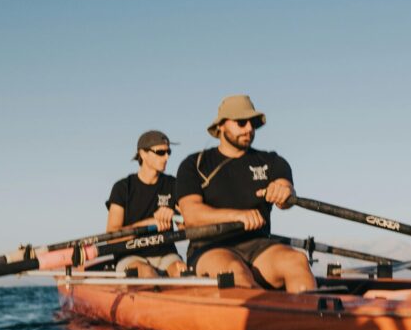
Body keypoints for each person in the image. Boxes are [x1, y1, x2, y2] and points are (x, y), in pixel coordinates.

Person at [175, 95, 315, 291]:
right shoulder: (194, 164)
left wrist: (284, 191)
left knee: (297, 260)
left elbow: (285, 195)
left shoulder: (272, 161)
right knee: (235, 271)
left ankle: (314, 319)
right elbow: (191, 215)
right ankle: (267, 316)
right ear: (221, 126)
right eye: (241, 122)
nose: (249, 128)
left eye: (253, 123)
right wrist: (238, 216)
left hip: (259, 246)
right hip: (209, 248)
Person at [105, 130, 187, 278]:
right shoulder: (122, 188)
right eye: (160, 152)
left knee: (183, 271)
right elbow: (112, 236)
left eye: (169, 152)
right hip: (131, 255)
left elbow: (186, 228)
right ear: (142, 154)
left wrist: (177, 216)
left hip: (166, 255)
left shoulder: (174, 185)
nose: (167, 157)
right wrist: (149, 223)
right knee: (147, 273)